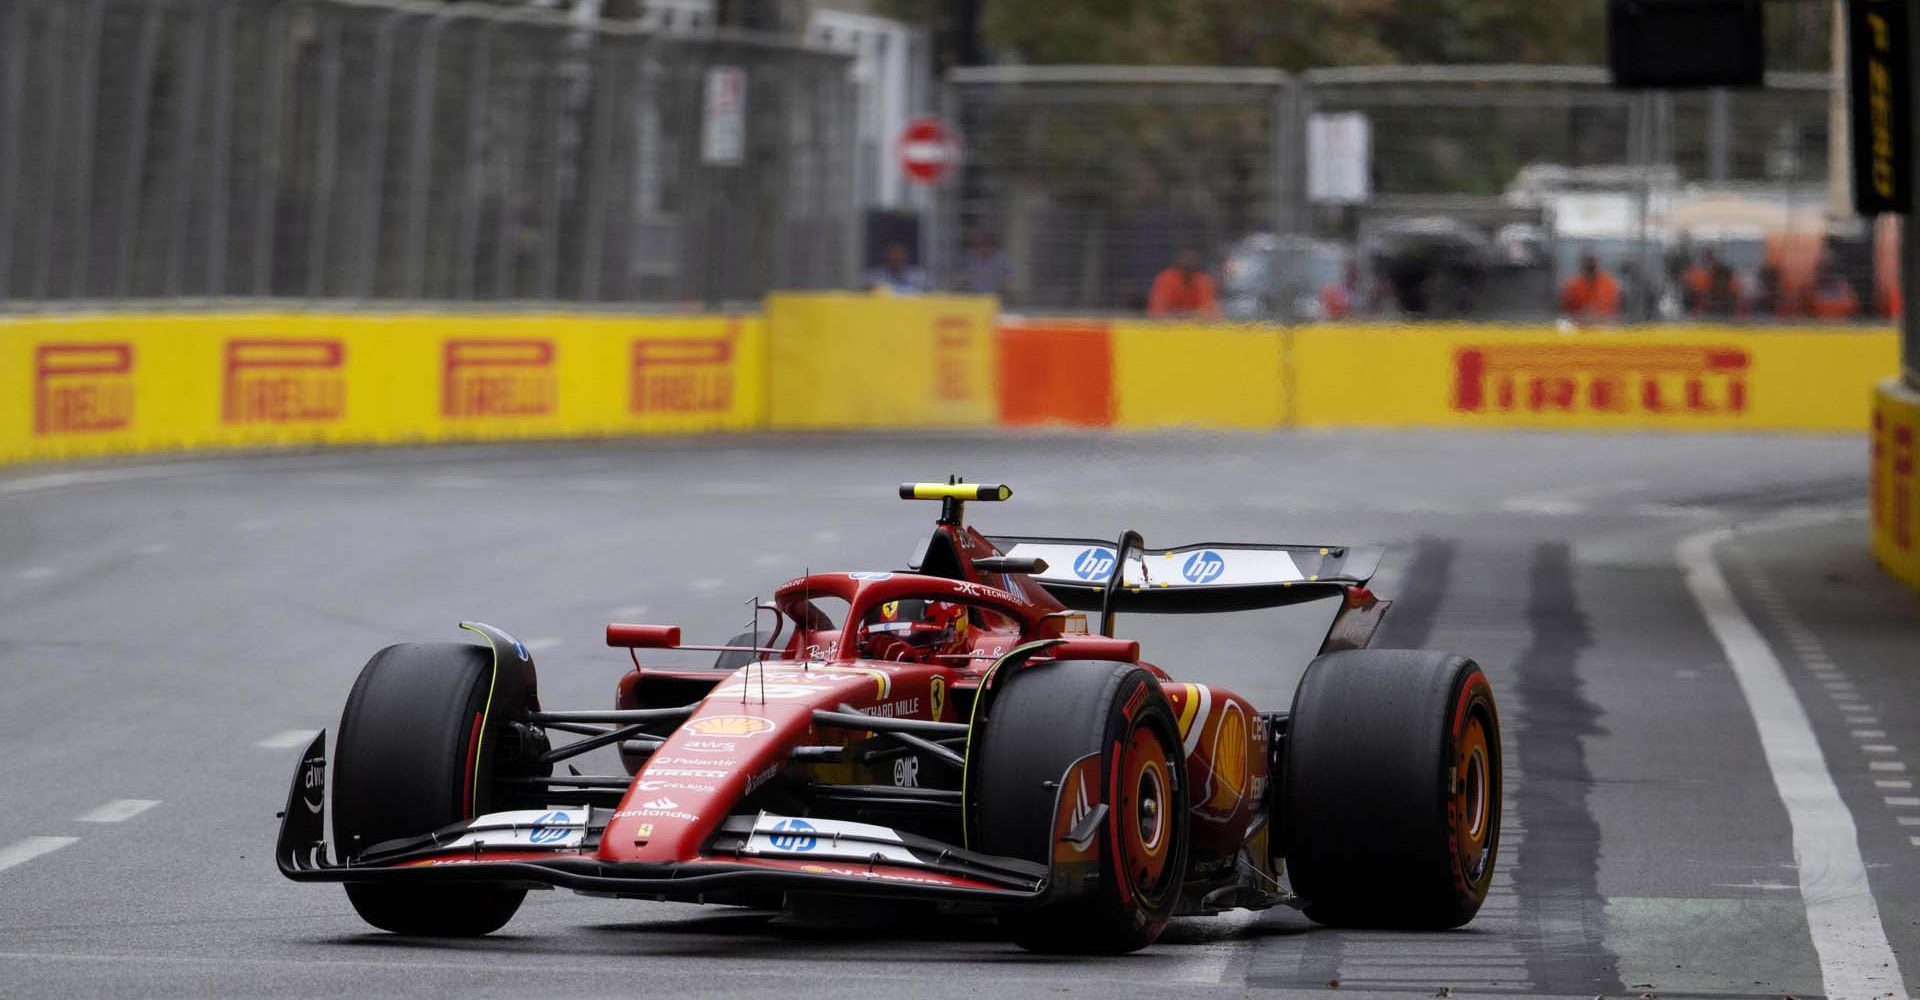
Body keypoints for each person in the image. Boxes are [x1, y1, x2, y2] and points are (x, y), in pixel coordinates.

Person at [1147, 248, 1221, 318]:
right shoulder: (1165, 279)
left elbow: (1210, 311)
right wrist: (1180, 316)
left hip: (1196, 327)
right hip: (1168, 327)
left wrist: (1190, 316)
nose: (1189, 262)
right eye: (1186, 260)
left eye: (1192, 260)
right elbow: (1157, 311)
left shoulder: (1203, 281)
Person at [1558, 255, 1620, 323]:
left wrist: (1599, 316)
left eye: (1592, 267)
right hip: (1578, 325)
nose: (1590, 271)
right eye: (1588, 268)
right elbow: (1565, 313)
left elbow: (1615, 312)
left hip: (1604, 326)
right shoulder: (1573, 285)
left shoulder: (1609, 285)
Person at [957, 230, 1011, 297]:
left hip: (993, 299)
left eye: (986, 243)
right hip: (972, 299)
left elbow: (1006, 283)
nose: (983, 246)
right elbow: (961, 280)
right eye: (980, 243)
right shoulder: (969, 258)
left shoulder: (1001, 259)